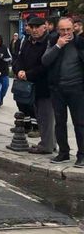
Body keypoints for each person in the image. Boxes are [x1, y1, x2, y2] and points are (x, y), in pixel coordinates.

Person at [42, 17, 84, 167]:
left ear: (73, 28)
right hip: (57, 89)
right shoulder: (53, 41)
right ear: (58, 30)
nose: (66, 32)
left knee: (80, 123)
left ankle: (82, 155)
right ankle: (63, 152)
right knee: (60, 123)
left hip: (77, 89)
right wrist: (58, 46)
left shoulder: (80, 42)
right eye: (62, 30)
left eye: (68, 29)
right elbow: (45, 61)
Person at [13, 16, 54, 152]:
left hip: (45, 86)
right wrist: (19, 70)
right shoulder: (27, 41)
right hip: (30, 86)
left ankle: (47, 145)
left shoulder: (49, 41)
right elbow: (19, 58)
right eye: (32, 27)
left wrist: (28, 74)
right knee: (39, 115)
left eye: (38, 27)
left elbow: (45, 65)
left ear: (45, 27)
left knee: (46, 116)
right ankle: (48, 143)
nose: (35, 30)